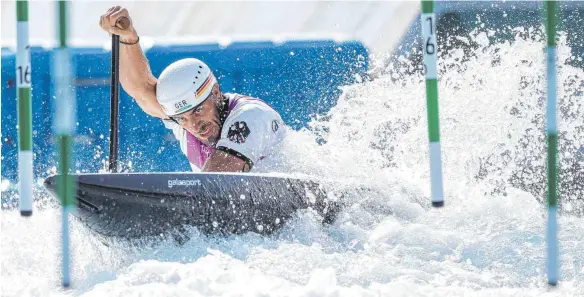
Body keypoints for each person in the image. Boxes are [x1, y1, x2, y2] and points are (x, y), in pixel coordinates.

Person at [99, 6, 287, 173]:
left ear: (215, 92)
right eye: (181, 118)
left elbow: (216, 181)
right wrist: (128, 38)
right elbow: (141, 89)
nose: (194, 126)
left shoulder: (250, 116)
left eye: (198, 111)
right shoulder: (184, 118)